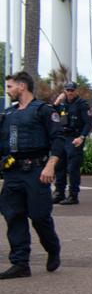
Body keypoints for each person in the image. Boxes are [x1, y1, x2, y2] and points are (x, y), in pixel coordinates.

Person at [0, 72, 64, 279]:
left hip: (37, 171)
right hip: (13, 173)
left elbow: (58, 140)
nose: (7, 91)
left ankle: (52, 248)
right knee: (13, 216)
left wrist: (50, 165)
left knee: (39, 217)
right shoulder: (8, 114)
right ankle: (20, 263)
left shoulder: (43, 111)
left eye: (10, 87)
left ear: (22, 86)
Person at [52, 81, 92, 206]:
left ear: (76, 91)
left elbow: (88, 124)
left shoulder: (82, 104)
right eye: (67, 90)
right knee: (59, 166)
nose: (69, 92)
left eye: (72, 90)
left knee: (73, 167)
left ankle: (73, 195)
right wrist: (57, 102)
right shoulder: (62, 104)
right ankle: (59, 193)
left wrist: (82, 137)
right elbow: (52, 115)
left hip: (75, 137)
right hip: (63, 137)